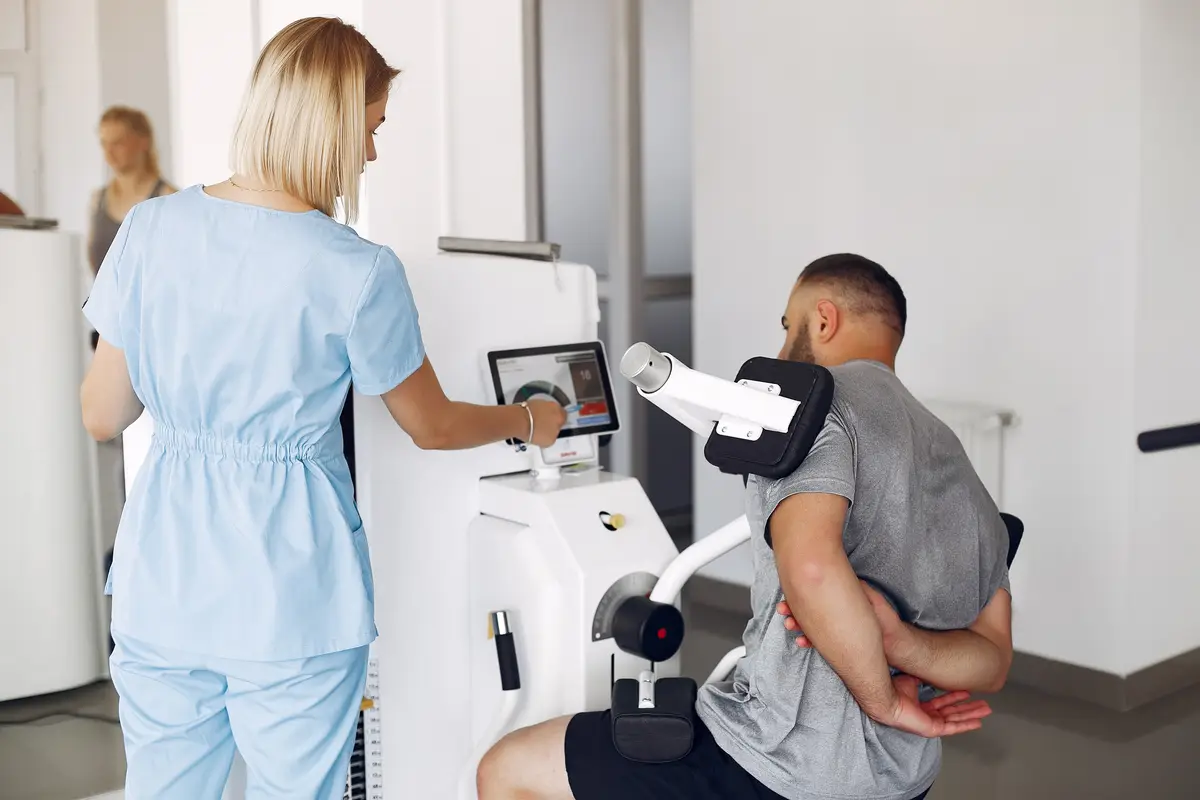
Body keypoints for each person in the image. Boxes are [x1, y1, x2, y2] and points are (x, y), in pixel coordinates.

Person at [79, 17, 567, 799]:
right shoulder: (357, 269)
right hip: (291, 592)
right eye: (371, 130)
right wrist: (528, 420)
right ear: (334, 124)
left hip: (161, 582)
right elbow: (431, 425)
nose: (371, 154)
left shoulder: (150, 229)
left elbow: (103, 414)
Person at [476, 254, 1013, 800]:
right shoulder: (956, 460)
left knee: (509, 769)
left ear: (823, 320)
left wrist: (885, 701)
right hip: (904, 779)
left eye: (788, 326)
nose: (783, 349)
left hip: (778, 763)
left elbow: (810, 569)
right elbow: (992, 658)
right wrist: (898, 641)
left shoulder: (813, 409)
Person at [89, 106, 176, 274]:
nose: (109, 152)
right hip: (104, 300)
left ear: (143, 142)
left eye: (118, 143)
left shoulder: (169, 198)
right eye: (104, 144)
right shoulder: (97, 199)